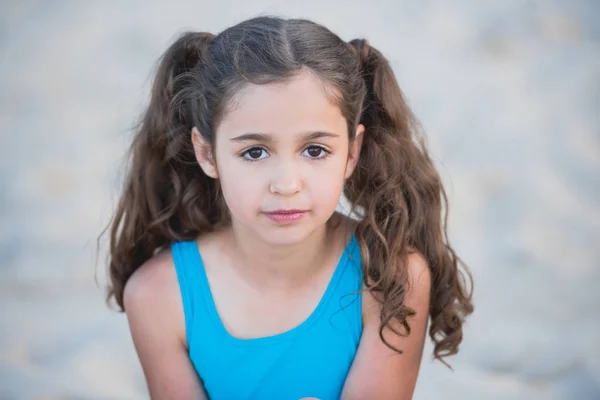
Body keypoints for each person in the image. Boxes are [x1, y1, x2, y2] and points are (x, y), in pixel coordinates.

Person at [103, 15, 473, 400]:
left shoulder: (390, 279)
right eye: (254, 152)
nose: (286, 184)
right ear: (207, 153)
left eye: (315, 150)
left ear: (352, 152)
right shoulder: (159, 295)